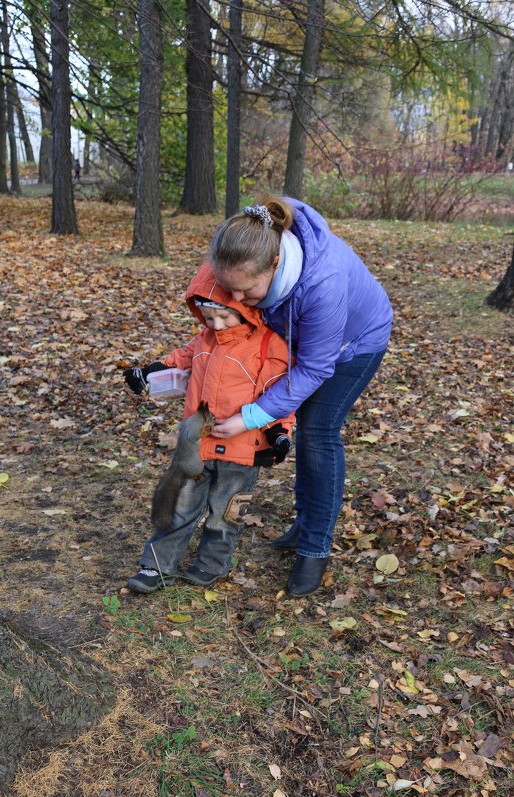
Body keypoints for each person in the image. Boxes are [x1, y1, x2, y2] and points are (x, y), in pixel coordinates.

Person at [202, 195, 393, 597]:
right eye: (229, 288)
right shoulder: (245, 245)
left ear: (274, 264)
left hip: (352, 345)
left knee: (318, 432)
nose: (235, 300)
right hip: (299, 341)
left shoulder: (323, 283)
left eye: (246, 290)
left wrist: (251, 416)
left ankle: (314, 548)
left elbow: (316, 368)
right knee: (303, 425)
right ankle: (306, 523)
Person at [123, 268, 295, 592]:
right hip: (197, 445)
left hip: (242, 450)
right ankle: (157, 566)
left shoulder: (268, 346)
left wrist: (279, 433)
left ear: (245, 308)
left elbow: (279, 394)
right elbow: (179, 360)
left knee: (225, 513)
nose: (215, 326)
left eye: (224, 318)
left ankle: (212, 563)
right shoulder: (205, 338)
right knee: (179, 505)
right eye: (208, 317)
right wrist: (146, 373)